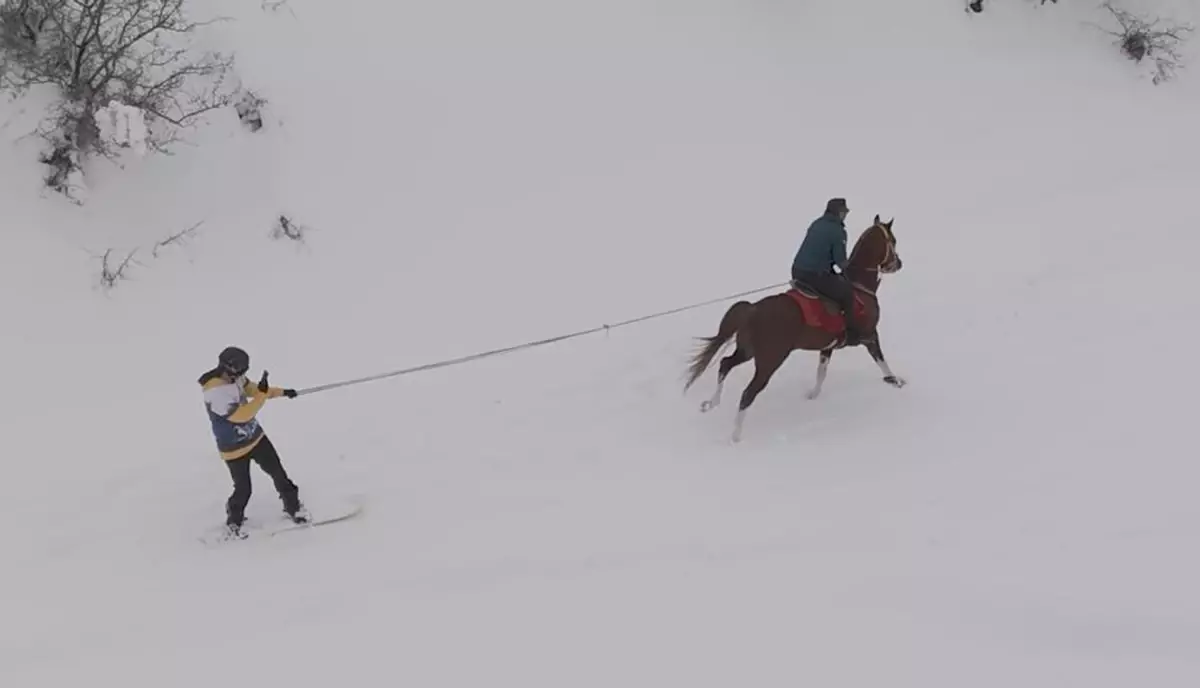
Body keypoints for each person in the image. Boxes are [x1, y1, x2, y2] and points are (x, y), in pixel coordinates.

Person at [198, 346, 307, 536]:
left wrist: (283, 392)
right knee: (243, 489)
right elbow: (242, 415)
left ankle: (293, 506)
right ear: (230, 368)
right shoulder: (214, 392)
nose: (243, 375)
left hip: (256, 438)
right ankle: (234, 520)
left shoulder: (235, 378)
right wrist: (262, 396)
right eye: (241, 371)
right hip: (233, 449)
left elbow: (255, 390)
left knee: (278, 473)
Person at [790, 197, 866, 344]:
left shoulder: (816, 223)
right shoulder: (838, 231)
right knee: (847, 293)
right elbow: (841, 262)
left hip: (797, 271)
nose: (845, 215)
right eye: (844, 212)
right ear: (837, 212)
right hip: (815, 275)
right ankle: (850, 335)